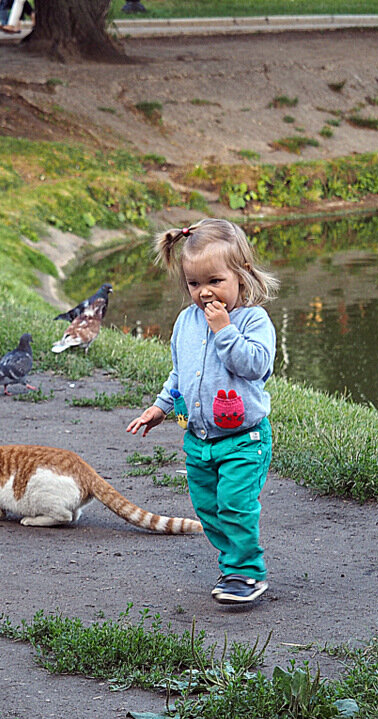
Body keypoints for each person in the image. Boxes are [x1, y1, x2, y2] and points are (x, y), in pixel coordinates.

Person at [126, 218, 279, 606]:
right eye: (194, 284)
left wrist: (225, 331)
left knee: (235, 505)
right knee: (208, 509)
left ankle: (246, 573)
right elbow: (180, 372)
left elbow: (257, 366)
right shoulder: (185, 322)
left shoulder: (253, 320)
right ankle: (232, 563)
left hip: (244, 440)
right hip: (199, 441)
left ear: (241, 276)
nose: (205, 293)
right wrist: (161, 407)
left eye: (215, 281)